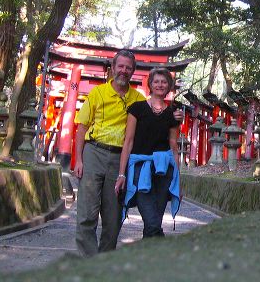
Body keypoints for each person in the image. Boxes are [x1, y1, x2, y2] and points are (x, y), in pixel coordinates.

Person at [73, 50, 149, 257]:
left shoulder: (138, 99)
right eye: (121, 66)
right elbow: (81, 128)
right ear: (113, 68)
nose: (124, 71)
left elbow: (154, 121)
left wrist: (175, 116)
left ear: (133, 71)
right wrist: (78, 159)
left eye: (128, 68)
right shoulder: (97, 93)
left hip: (120, 160)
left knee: (113, 218)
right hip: (93, 153)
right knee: (87, 214)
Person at [114, 68, 181, 238]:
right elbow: (128, 142)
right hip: (140, 168)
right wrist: (122, 174)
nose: (160, 85)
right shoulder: (137, 108)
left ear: (169, 86)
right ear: (150, 84)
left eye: (164, 82)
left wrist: (178, 179)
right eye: (156, 81)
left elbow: (173, 145)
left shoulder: (173, 113)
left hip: (164, 170)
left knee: (155, 222)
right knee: (151, 221)